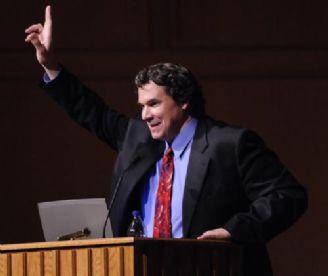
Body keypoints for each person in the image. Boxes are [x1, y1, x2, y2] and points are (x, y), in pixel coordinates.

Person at [25, 6, 307, 275]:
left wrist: (235, 230)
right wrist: (51, 66)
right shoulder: (138, 137)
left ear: (183, 101)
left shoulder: (230, 144)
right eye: (142, 106)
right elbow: (92, 112)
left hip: (212, 269)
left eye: (154, 104)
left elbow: (287, 195)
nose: (145, 115)